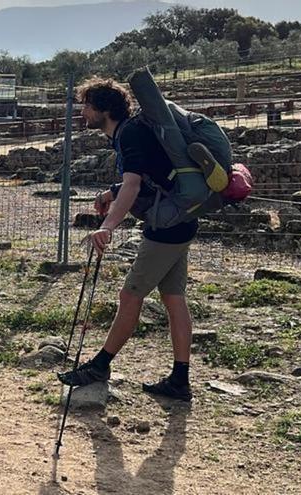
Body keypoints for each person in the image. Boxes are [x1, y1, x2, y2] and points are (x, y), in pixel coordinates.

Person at [57, 78, 197, 402]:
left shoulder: (130, 134)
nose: (83, 112)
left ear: (104, 109)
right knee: (174, 301)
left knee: (129, 295)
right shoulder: (127, 133)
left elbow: (134, 184)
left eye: (88, 106)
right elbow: (150, 178)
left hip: (166, 228)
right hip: (180, 219)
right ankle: (180, 380)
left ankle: (100, 366)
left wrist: (106, 226)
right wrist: (111, 192)